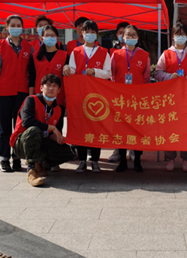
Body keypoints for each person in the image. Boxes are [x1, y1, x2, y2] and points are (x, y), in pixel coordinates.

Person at [10, 74, 76, 187]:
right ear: (41, 87)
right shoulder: (31, 100)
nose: (51, 88)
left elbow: (51, 135)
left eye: (55, 86)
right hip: (21, 143)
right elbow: (27, 122)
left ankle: (39, 164)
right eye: (48, 85)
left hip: (40, 141)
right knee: (34, 130)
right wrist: (51, 127)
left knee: (69, 152)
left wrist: (61, 138)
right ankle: (31, 171)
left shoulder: (58, 109)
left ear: (59, 90)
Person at [63, 19, 111, 173]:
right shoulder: (76, 52)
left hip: (97, 96)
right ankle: (82, 160)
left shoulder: (104, 52)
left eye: (92, 32)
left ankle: (95, 160)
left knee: (96, 128)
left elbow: (108, 73)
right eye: (86, 32)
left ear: (97, 34)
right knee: (81, 127)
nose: (89, 34)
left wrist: (95, 72)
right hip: (80, 95)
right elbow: (72, 70)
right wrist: (66, 68)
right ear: (82, 33)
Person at [154, 23, 187, 172]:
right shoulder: (166, 54)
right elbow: (157, 73)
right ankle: (170, 158)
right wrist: (170, 77)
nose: (180, 37)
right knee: (170, 128)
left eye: (182, 34)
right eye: (177, 34)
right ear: (173, 36)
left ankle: (186, 159)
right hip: (170, 98)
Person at [0, 15, 32, 173]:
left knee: (20, 127)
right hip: (4, 92)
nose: (16, 27)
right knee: (4, 127)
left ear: (22, 27)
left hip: (22, 92)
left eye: (18, 25)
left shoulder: (28, 47)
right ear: (6, 27)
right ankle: (4, 159)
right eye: (12, 25)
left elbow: (31, 71)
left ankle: (17, 157)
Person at [110, 25, 150, 172]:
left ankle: (137, 160)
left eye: (133, 35)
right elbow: (112, 76)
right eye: (128, 35)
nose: (131, 38)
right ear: (123, 37)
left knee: (137, 129)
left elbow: (146, 77)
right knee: (121, 130)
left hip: (137, 99)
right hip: (120, 99)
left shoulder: (144, 55)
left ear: (137, 37)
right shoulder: (116, 54)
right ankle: (122, 160)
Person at [106, 21, 132, 163]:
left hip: (134, 94)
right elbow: (110, 73)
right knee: (118, 123)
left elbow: (146, 76)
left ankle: (133, 149)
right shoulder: (111, 51)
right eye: (120, 33)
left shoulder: (138, 51)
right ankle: (117, 150)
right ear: (117, 34)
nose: (123, 35)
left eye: (125, 33)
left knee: (133, 122)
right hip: (117, 93)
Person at [28, 25, 68, 107]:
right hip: (39, 97)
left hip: (58, 98)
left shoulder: (65, 56)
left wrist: (67, 97)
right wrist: (30, 97)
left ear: (57, 38)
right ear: (42, 38)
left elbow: (67, 80)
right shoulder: (35, 56)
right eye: (47, 35)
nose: (49, 38)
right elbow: (32, 78)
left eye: (52, 35)